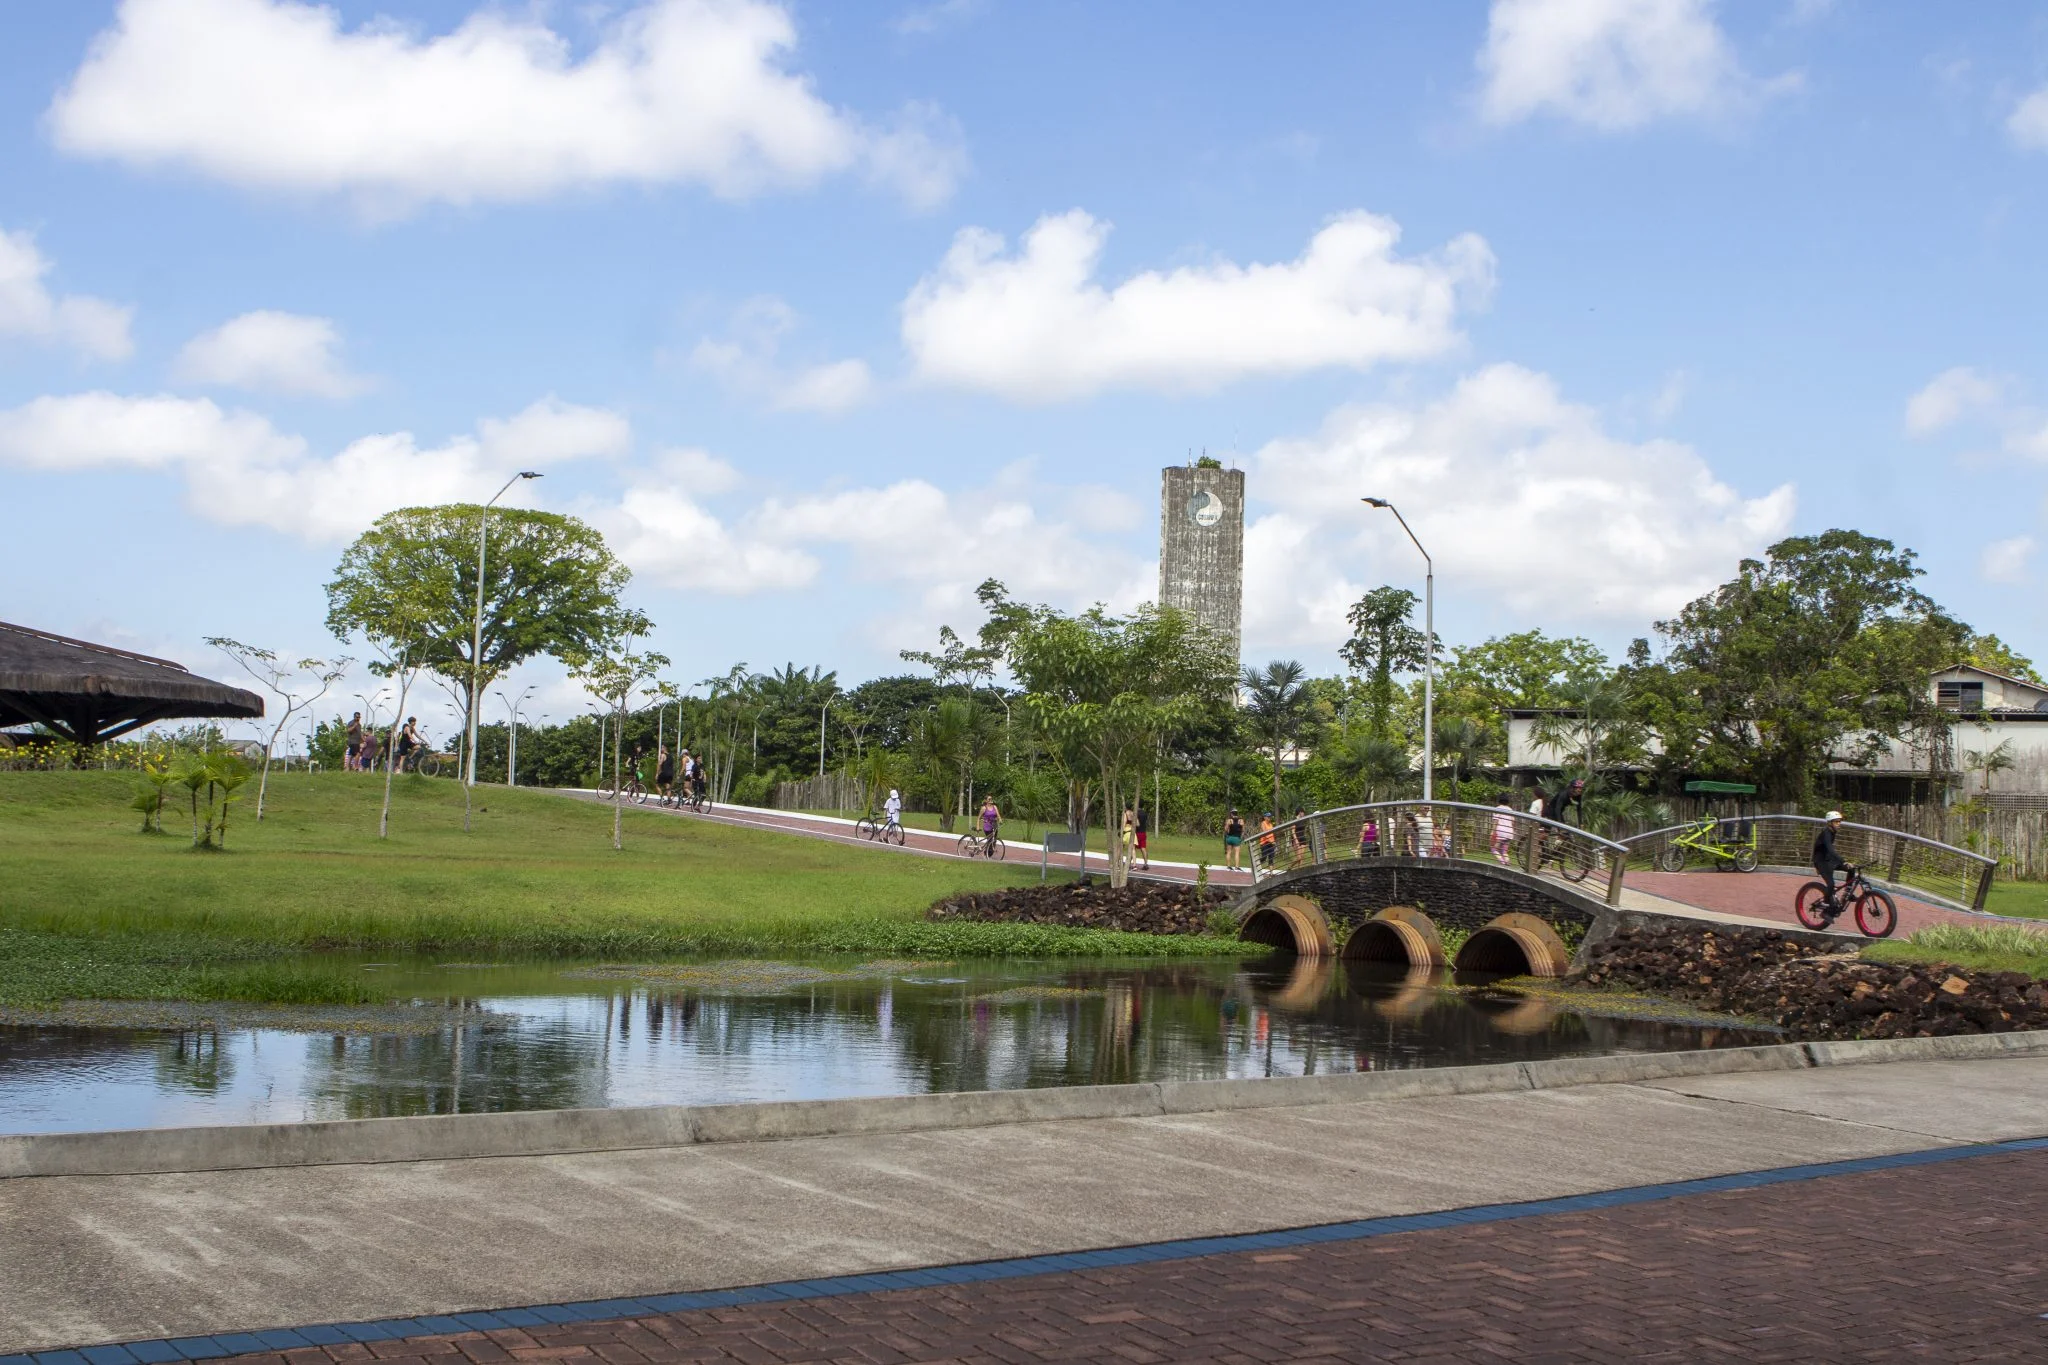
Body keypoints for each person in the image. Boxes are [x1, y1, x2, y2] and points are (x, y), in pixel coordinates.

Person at [1813, 810, 1850, 912]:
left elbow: (1830, 852)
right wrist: (1843, 861)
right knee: (1831, 884)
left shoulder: (1833, 832)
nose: (1839, 824)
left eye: (1839, 821)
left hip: (1829, 860)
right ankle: (1826, 905)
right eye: (1836, 822)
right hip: (1821, 862)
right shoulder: (1826, 833)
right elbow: (1830, 849)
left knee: (1851, 869)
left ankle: (1847, 893)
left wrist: (1843, 863)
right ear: (1829, 823)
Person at [1491, 792, 1518, 865]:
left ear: (1499, 800)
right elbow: (1513, 822)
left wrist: (1492, 832)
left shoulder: (1497, 809)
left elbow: (1496, 821)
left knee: (1494, 849)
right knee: (1504, 851)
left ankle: (1502, 862)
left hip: (1501, 832)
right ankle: (1507, 861)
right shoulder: (1510, 809)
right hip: (1509, 832)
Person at [1134, 804, 1150, 870]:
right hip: (1143, 832)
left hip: (1137, 832)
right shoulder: (1145, 813)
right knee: (1143, 848)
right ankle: (1146, 863)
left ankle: (1131, 864)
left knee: (1133, 848)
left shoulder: (1136, 813)